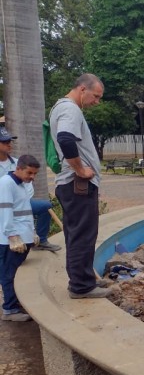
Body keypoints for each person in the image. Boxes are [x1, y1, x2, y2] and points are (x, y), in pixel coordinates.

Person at [50, 73, 109, 299]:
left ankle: (80, 279)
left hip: (73, 185)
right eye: (96, 96)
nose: (97, 101)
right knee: (83, 235)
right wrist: (81, 170)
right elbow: (66, 139)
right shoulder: (70, 109)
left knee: (77, 234)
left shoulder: (62, 107)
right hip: (77, 184)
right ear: (82, 89)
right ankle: (82, 286)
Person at [0, 127, 60, 252]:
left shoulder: (18, 163)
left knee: (45, 206)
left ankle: (41, 240)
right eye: (5, 142)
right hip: (3, 206)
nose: (9, 144)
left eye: (9, 141)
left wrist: (21, 202)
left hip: (21, 202)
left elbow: (27, 187)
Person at [0, 155, 42, 322]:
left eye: (34, 174)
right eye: (29, 172)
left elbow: (24, 211)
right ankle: (9, 310)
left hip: (22, 237)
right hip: (11, 240)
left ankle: (14, 303)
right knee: (8, 274)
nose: (32, 177)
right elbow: (5, 211)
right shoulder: (6, 184)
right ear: (18, 168)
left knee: (14, 273)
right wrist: (12, 235)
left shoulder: (22, 185)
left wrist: (32, 232)